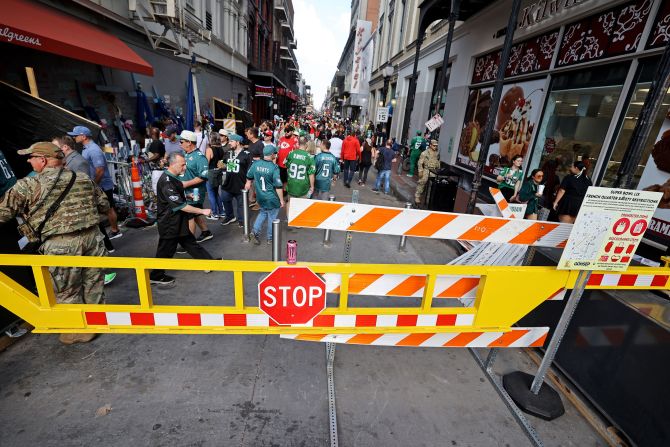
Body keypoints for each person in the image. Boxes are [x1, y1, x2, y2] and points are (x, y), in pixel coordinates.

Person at [0, 142, 109, 345]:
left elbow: (3, 213)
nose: (29, 161)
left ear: (42, 160)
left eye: (31, 157)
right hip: (93, 239)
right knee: (94, 283)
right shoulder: (83, 179)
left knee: (67, 290)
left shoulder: (29, 185)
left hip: (60, 245)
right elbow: (104, 205)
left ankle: (76, 332)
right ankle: (97, 323)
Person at [150, 152, 214, 285]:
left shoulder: (174, 177)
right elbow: (182, 206)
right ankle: (156, 275)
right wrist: (202, 210)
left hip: (178, 220)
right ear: (173, 164)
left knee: (190, 242)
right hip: (169, 223)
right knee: (165, 250)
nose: (185, 168)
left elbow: (179, 192)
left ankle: (209, 263)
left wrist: (188, 197)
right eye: (183, 165)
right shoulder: (166, 181)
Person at [68, 126, 122, 240]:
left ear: (83, 136)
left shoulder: (93, 149)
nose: (74, 138)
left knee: (109, 208)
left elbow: (100, 170)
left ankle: (115, 230)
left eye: (76, 135)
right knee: (106, 209)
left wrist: (93, 185)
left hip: (102, 184)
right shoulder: (87, 148)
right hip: (99, 184)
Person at [245, 145, 284, 245]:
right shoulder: (274, 168)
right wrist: (281, 200)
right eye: (275, 153)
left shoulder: (256, 164)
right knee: (272, 217)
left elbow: (249, 176)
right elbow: (278, 186)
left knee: (262, 213)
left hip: (260, 196)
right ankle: (270, 238)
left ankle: (254, 232)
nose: (276, 154)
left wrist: (248, 183)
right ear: (271, 155)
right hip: (271, 197)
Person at [178, 130, 213, 242]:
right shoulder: (185, 154)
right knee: (196, 212)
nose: (179, 143)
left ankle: (189, 242)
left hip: (195, 192)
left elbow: (203, 176)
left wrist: (185, 184)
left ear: (189, 142)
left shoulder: (200, 158)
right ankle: (206, 232)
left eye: (181, 141)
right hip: (185, 190)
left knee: (190, 214)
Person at [220, 133, 252, 227]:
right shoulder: (228, 153)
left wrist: (248, 182)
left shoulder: (247, 154)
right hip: (228, 183)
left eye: (231, 141)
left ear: (238, 142)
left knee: (241, 205)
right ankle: (230, 216)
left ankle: (242, 220)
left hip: (241, 184)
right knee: (225, 200)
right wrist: (222, 165)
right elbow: (223, 163)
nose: (229, 143)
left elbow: (250, 170)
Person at [285, 136, 316, 217]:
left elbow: (287, 167)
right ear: (306, 144)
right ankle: (298, 220)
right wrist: (312, 186)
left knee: (290, 201)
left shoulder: (291, 153)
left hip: (292, 182)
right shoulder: (309, 157)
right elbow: (311, 174)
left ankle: (289, 218)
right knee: (301, 203)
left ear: (298, 143)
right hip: (303, 185)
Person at [415, 139, 441, 206]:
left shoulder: (437, 153)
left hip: (434, 171)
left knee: (432, 185)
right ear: (430, 145)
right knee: (422, 182)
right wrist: (420, 171)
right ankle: (417, 196)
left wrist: (439, 169)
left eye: (436, 146)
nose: (435, 147)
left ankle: (429, 198)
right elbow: (420, 163)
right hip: (426, 170)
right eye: (434, 146)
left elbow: (438, 161)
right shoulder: (425, 153)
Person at [205, 132, 224, 220]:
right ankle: (221, 212)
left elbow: (206, 163)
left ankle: (214, 213)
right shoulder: (221, 149)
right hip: (218, 171)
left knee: (211, 194)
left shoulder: (209, 149)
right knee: (216, 193)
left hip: (211, 172)